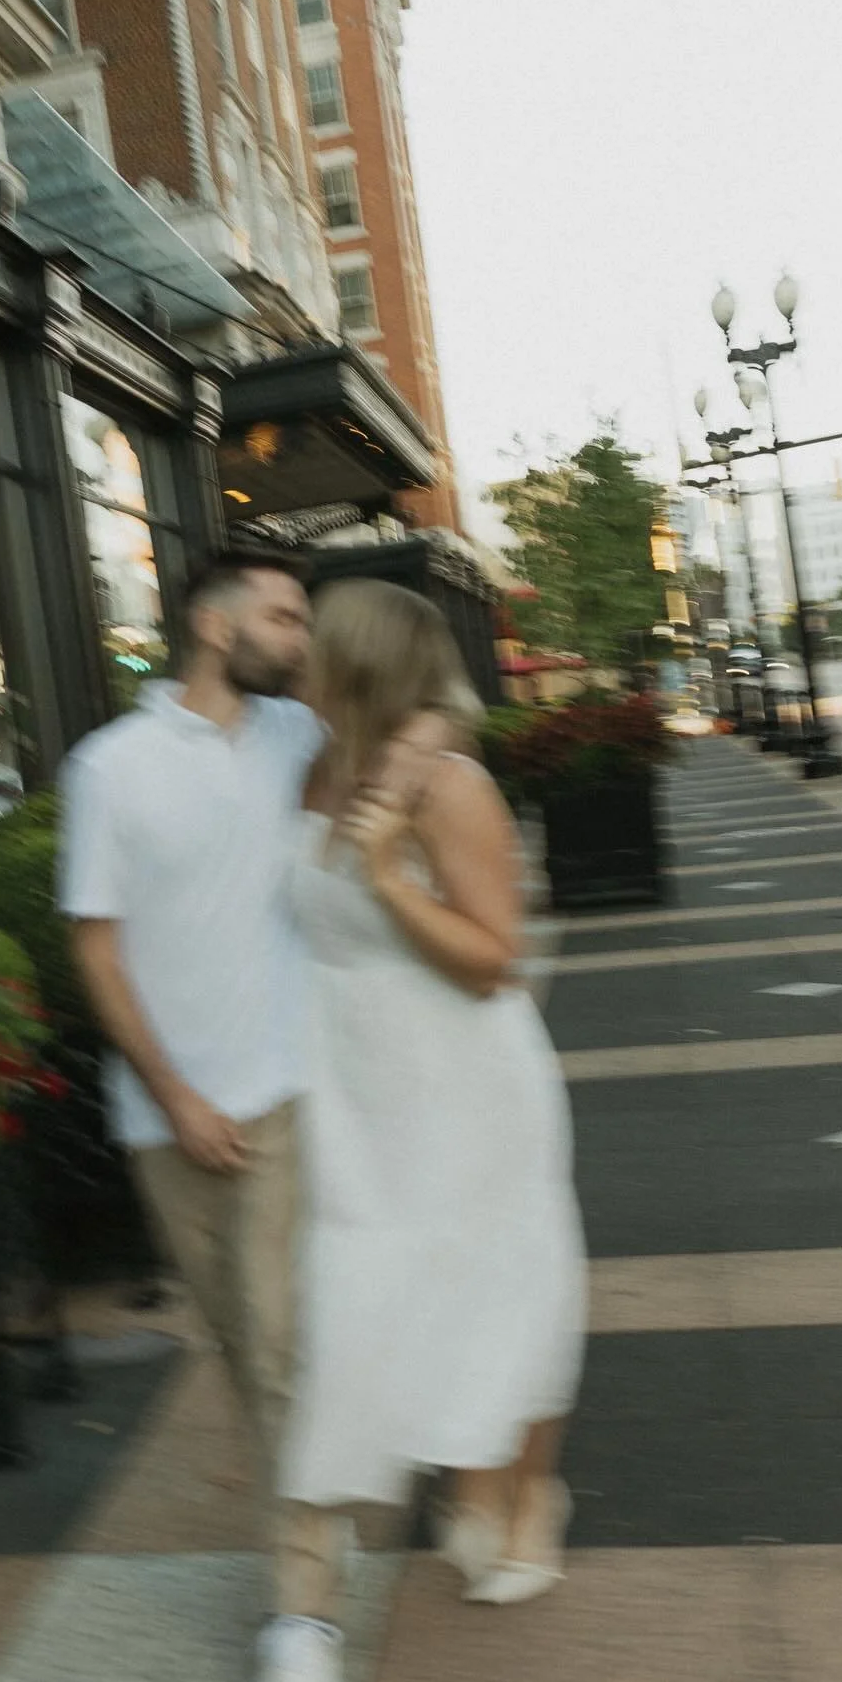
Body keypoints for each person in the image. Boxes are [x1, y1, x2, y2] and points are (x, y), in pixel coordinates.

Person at [58, 551, 353, 1682]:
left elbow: (413, 727)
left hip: (288, 1089)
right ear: (208, 617)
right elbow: (96, 948)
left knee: (278, 1345)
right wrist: (174, 1093)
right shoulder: (108, 768)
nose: (296, 630)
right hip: (170, 1117)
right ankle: (323, 1500)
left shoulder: (301, 736)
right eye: (281, 611)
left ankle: (303, 1621)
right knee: (244, 1345)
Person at [281, 578, 586, 1619]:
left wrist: (391, 879)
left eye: (314, 644)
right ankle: (467, 1475)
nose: (297, 660)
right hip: (358, 1088)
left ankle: (529, 1490)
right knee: (390, 1285)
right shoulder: (315, 765)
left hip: (463, 1078)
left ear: (354, 661)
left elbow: (495, 958)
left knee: (507, 1283)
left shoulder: (447, 785)